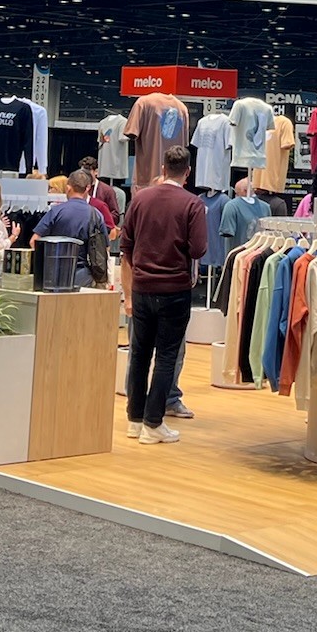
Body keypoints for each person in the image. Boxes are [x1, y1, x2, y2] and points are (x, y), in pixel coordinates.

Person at [120, 144, 206, 444]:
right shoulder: (192, 204)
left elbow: (125, 246)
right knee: (167, 356)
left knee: (140, 353)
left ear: (163, 169)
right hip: (174, 289)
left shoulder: (140, 199)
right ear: (188, 172)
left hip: (142, 288)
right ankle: (153, 423)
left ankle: (134, 418)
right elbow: (198, 249)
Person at [29, 166, 108, 243]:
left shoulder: (56, 211)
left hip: (57, 255)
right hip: (85, 256)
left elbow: (34, 241)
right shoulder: (96, 215)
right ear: (87, 188)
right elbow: (105, 247)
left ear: (68, 188)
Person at [80, 154, 123, 225]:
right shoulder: (78, 187)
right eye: (83, 172)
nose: (85, 175)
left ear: (96, 172)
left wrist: (99, 218)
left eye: (88, 172)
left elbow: (115, 216)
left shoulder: (107, 190)